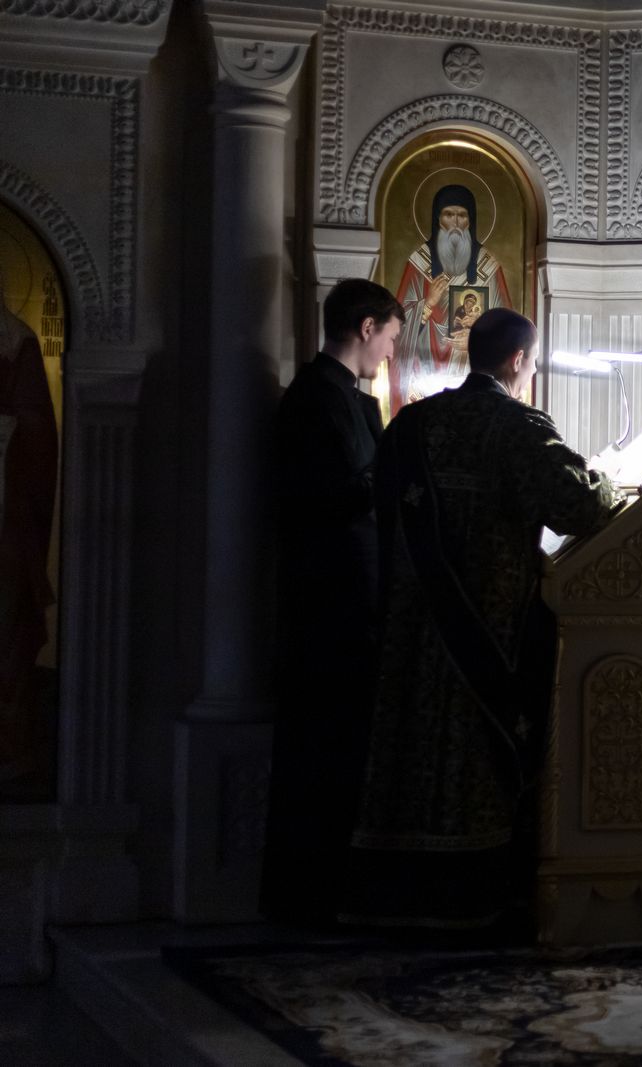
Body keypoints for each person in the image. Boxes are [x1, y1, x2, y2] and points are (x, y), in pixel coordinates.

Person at [344, 308, 617, 930]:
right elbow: (578, 505)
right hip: (484, 632)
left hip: (408, 626)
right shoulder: (518, 427)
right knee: (476, 753)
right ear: (518, 360)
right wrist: (608, 482)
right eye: (533, 362)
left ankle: (390, 897)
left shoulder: (413, 423)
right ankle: (467, 898)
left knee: (407, 746)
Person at [261, 277, 401, 923]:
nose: (391, 353)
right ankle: (313, 897)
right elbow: (329, 497)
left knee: (344, 750)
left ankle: (332, 891)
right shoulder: (317, 398)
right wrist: (394, 469)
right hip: (329, 606)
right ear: (366, 328)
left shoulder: (341, 395)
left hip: (348, 600)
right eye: (390, 337)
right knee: (324, 753)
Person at [0, 265, 57, 795]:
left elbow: (37, 428)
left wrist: (9, 431)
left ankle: (12, 749)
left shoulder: (15, 342)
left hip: (6, 515)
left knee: (10, 627)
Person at [393, 184, 512, 413]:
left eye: (462, 215)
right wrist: (427, 304)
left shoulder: (488, 267)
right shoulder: (420, 264)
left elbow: (506, 330)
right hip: (424, 378)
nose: (456, 223)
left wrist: (475, 343)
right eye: (449, 214)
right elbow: (396, 328)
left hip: (473, 379)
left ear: (470, 221)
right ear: (438, 220)